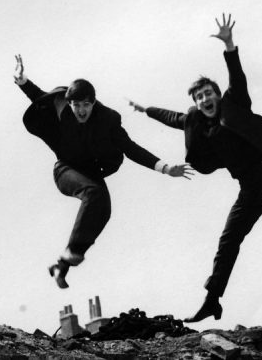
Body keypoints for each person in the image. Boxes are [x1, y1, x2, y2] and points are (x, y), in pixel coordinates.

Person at [128, 14, 262, 323]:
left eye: (208, 93)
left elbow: (236, 77)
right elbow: (173, 118)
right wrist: (146, 110)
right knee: (228, 240)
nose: (205, 99)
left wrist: (228, 45)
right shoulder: (197, 124)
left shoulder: (234, 105)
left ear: (216, 94)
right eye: (199, 97)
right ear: (197, 104)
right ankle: (212, 300)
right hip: (246, 186)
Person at [13, 55, 192, 289]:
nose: (81, 111)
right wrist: (22, 80)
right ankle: (70, 254)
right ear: (69, 103)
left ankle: (62, 265)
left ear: (93, 103)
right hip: (65, 169)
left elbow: (130, 148)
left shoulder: (108, 119)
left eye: (86, 105)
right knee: (93, 194)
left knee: (103, 210)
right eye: (76, 105)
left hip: (91, 171)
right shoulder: (61, 107)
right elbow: (39, 96)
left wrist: (165, 168)